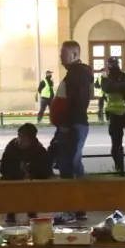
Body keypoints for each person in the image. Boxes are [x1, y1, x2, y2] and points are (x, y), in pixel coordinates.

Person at [48, 41, 95, 206]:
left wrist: (66, 125)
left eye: (63, 54)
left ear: (74, 55)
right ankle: (77, 204)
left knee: (69, 165)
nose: (60, 57)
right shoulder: (76, 73)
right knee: (70, 162)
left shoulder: (77, 74)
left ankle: (74, 205)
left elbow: (77, 102)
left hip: (72, 126)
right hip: (70, 125)